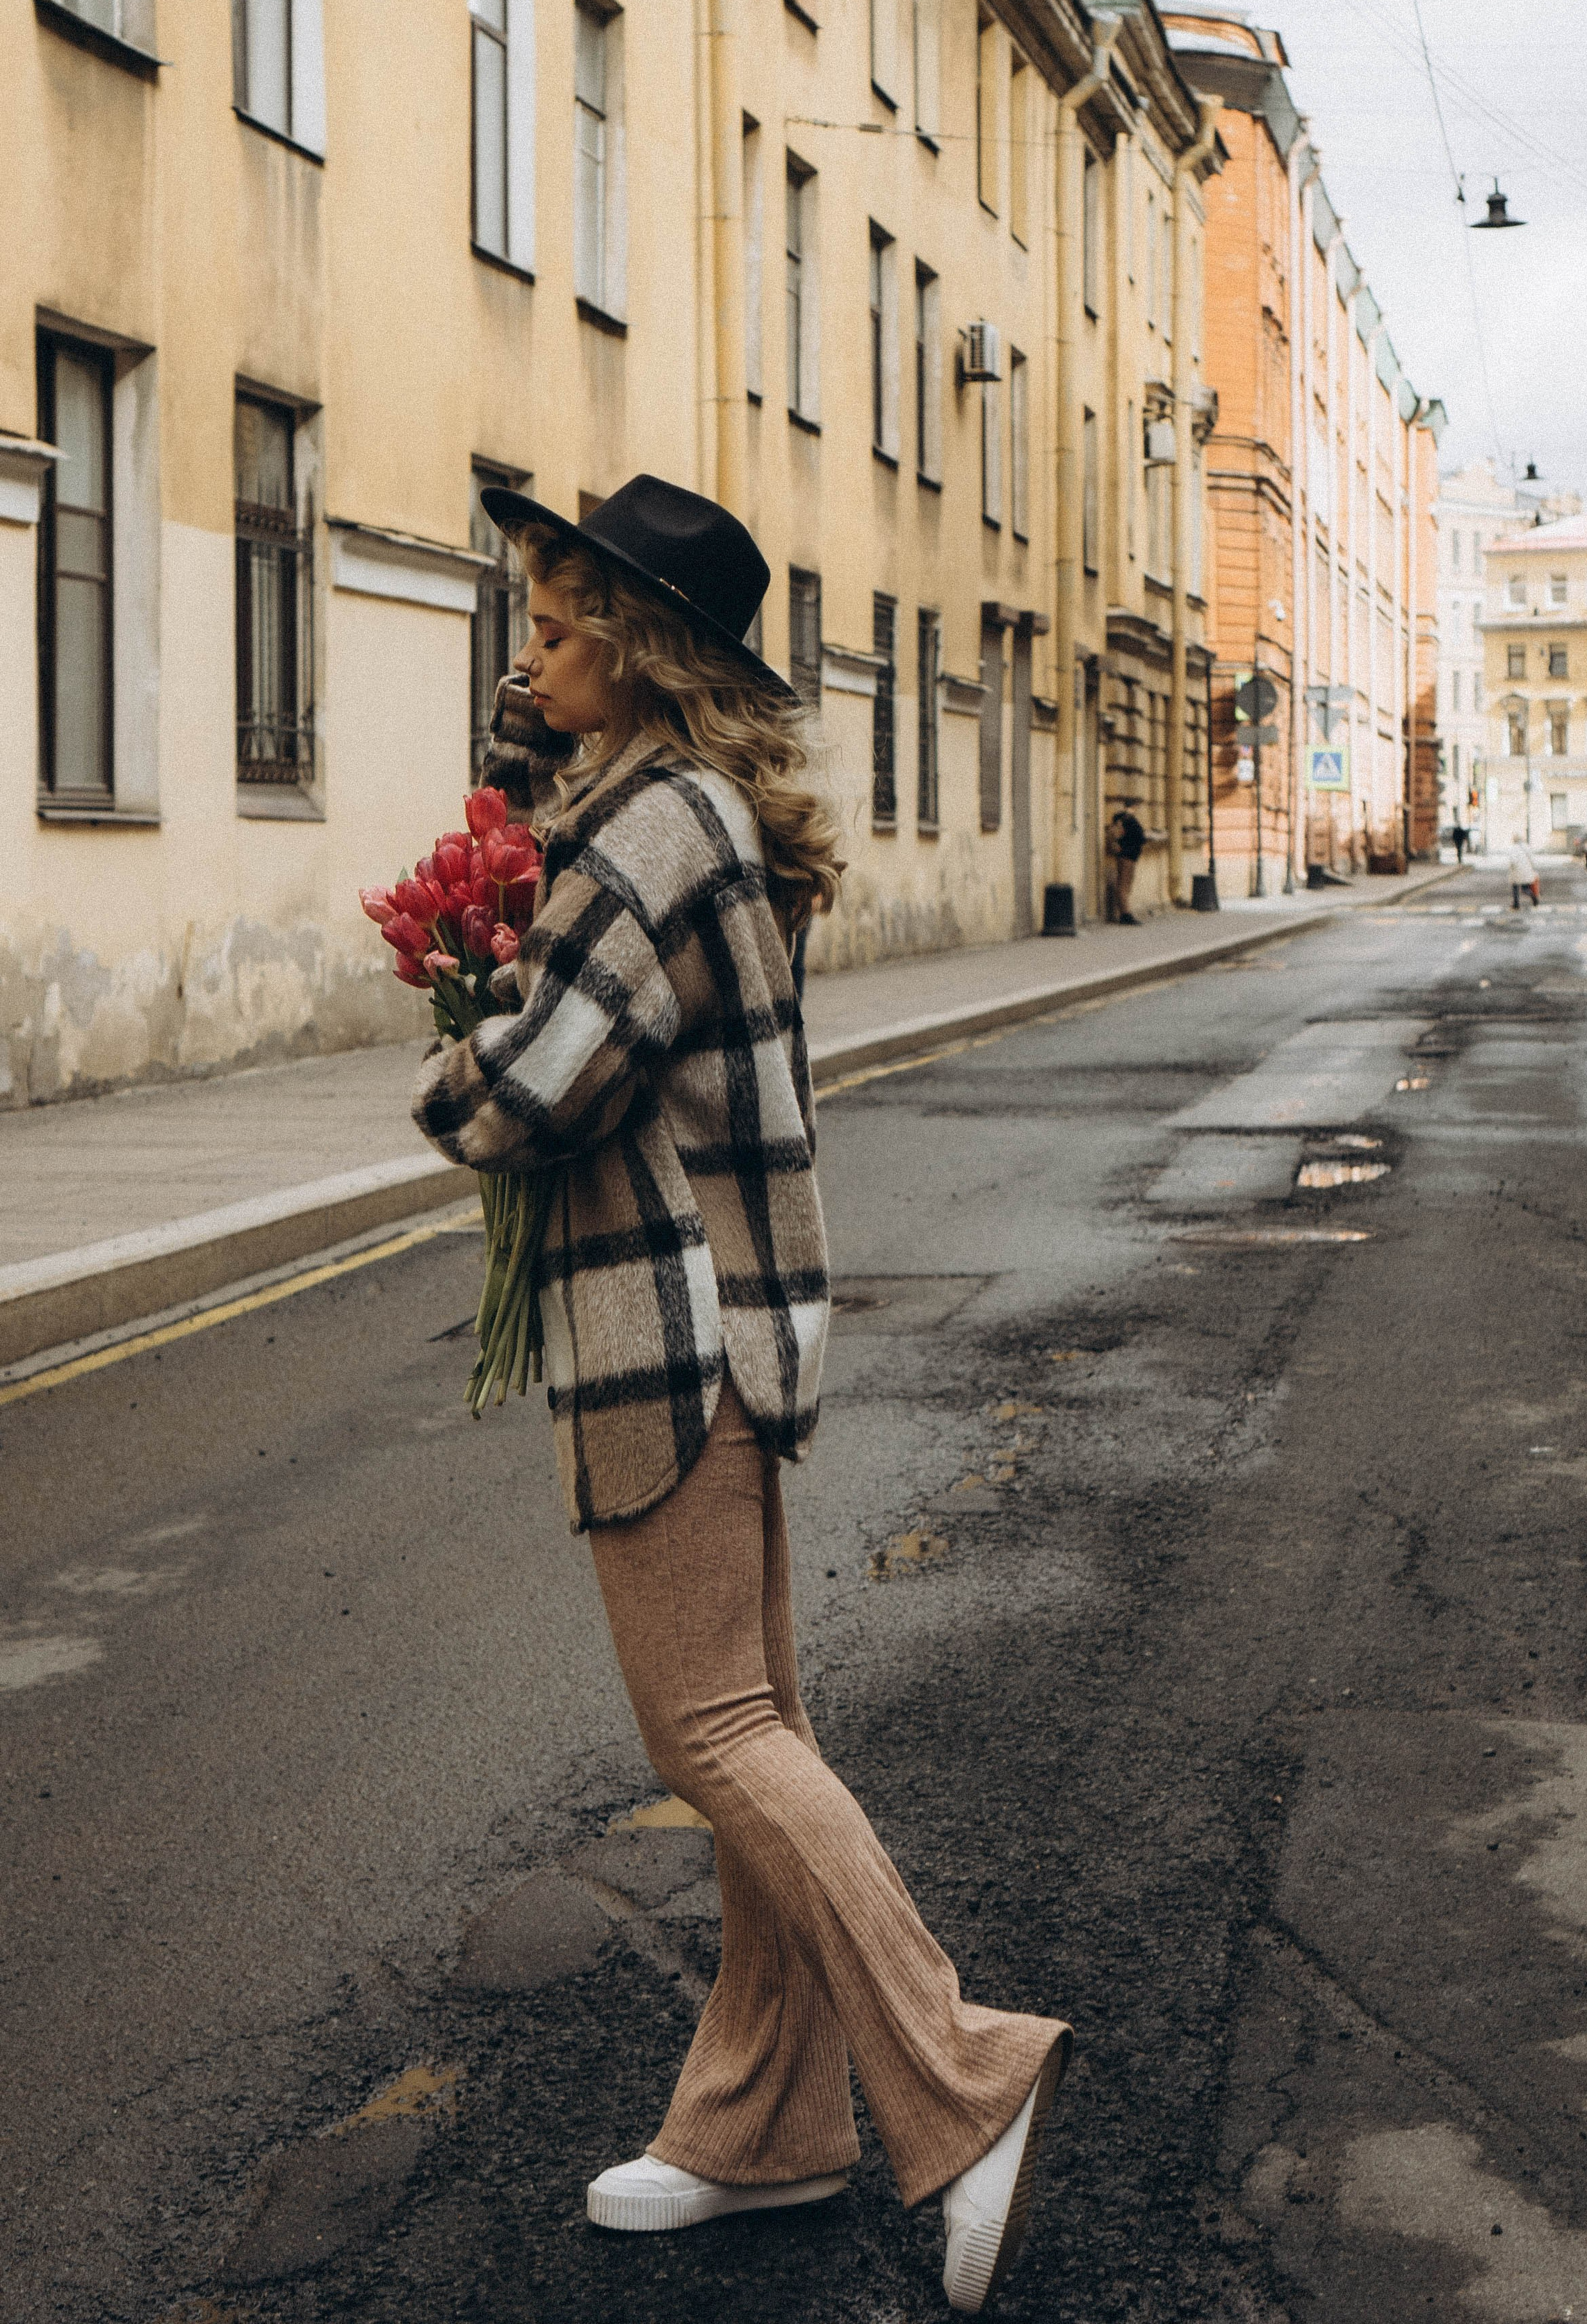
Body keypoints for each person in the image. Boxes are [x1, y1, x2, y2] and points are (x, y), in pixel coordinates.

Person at [413, 476, 1071, 2315]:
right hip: (730, 1328)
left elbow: (539, 1085)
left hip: (667, 1333)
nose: (531, 651)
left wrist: (449, 1063)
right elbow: (570, 930)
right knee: (753, 1723)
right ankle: (763, 2125)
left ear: (637, 650)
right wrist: (520, 791)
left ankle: (964, 2073)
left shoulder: (652, 832)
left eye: (557, 628)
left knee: (711, 1737)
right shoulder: (676, 808)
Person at [1109, 805, 1146, 922]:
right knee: (1123, 885)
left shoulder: (1128, 820)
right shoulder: (1124, 820)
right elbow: (1116, 835)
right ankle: (1125, 914)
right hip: (1126, 856)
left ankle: (1125, 913)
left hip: (1130, 856)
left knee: (1126, 885)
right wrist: (1119, 846)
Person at [1507, 837, 1540, 910]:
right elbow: (1532, 859)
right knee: (1525, 888)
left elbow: (1513, 861)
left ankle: (1516, 904)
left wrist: (1511, 867)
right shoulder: (1526, 847)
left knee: (1515, 887)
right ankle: (1534, 898)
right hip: (1526, 871)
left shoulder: (1514, 848)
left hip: (1517, 871)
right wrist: (1532, 869)